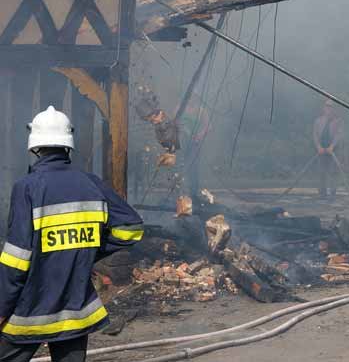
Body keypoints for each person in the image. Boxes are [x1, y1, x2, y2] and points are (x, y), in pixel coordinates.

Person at [0, 106, 144, 361]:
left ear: (35, 146)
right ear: (68, 144)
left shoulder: (28, 187)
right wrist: (89, 249)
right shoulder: (91, 182)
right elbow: (131, 227)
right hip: (76, 313)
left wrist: (2, 306)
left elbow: (16, 259)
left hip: (30, 311)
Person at [177, 99, 210, 201]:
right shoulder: (180, 107)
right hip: (181, 142)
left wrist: (199, 136)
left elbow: (207, 126)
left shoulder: (201, 111)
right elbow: (175, 122)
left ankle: (193, 192)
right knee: (180, 164)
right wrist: (184, 130)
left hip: (195, 143)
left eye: (195, 96)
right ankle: (179, 191)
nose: (192, 98)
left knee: (194, 166)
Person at [313, 100, 344, 199]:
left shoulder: (338, 121)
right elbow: (315, 135)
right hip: (321, 150)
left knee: (333, 171)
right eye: (327, 107)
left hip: (333, 150)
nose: (329, 109)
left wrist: (332, 147)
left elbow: (339, 135)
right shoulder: (318, 121)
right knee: (321, 172)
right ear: (324, 108)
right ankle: (322, 194)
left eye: (331, 107)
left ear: (334, 109)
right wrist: (318, 147)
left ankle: (333, 193)